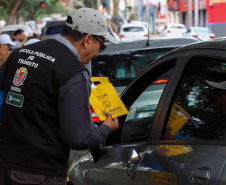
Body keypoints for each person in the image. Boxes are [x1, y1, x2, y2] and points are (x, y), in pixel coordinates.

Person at [0, 7, 119, 185]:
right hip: (41, 173)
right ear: (87, 39)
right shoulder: (74, 72)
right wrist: (106, 129)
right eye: (101, 46)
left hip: (5, 164)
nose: (98, 52)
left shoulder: (20, 53)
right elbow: (79, 138)